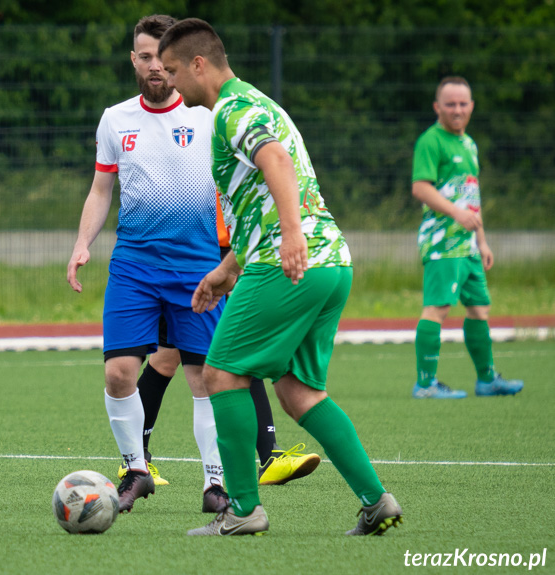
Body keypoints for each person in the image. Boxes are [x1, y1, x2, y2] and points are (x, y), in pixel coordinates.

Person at [158, 18, 403, 536]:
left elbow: (276, 164)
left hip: (290, 260)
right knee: (298, 391)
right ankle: (375, 500)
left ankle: (242, 511)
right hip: (330, 262)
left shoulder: (232, 109)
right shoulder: (261, 103)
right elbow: (261, 196)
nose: (172, 84)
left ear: (199, 64)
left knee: (221, 374)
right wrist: (227, 270)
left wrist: (290, 235)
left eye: (175, 71)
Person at [67, 14, 230, 515]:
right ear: (133, 60)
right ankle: (136, 469)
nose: (155, 66)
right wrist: (81, 243)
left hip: (198, 265)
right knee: (119, 373)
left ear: (178, 61)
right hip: (134, 265)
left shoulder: (210, 115)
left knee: (204, 378)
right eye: (144, 56)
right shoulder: (115, 119)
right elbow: (101, 189)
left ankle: (216, 483)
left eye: (163, 58)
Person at [127, 199, 321, 487]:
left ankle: (269, 457)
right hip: (190, 248)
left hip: (225, 249)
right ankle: (135, 461)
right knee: (178, 358)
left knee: (178, 357)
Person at [411, 77, 524, 399]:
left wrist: (482, 240)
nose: (457, 110)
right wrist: (457, 215)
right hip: (442, 244)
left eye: (463, 104)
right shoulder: (431, 141)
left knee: (479, 309)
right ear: (437, 107)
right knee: (437, 309)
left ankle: (487, 380)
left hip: (469, 245)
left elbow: (471, 197)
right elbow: (421, 187)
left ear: (472, 106)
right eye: (450, 104)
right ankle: (425, 384)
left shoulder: (469, 144)